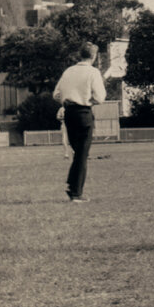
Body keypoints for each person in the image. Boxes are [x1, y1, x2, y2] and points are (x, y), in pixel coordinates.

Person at [53, 42, 106, 202]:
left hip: (69, 114)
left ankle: (72, 185)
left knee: (78, 153)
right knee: (82, 154)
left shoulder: (68, 71)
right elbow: (100, 97)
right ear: (94, 56)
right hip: (83, 113)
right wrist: (88, 100)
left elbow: (56, 94)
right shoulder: (93, 72)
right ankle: (75, 192)